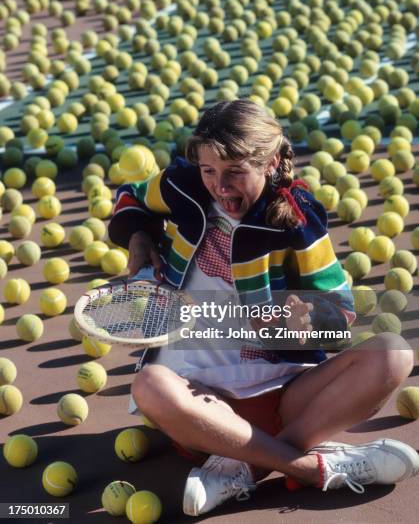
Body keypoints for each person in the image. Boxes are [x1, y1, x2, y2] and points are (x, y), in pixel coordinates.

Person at [108, 99, 417, 517]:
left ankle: (246, 466)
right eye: (210, 170)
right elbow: (131, 196)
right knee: (149, 386)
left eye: (236, 171)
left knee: (393, 353)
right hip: (201, 408)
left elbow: (340, 312)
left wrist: (307, 322)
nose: (221, 185)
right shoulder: (182, 186)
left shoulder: (297, 217)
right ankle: (313, 467)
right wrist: (139, 236)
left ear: (270, 163)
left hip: (286, 398)